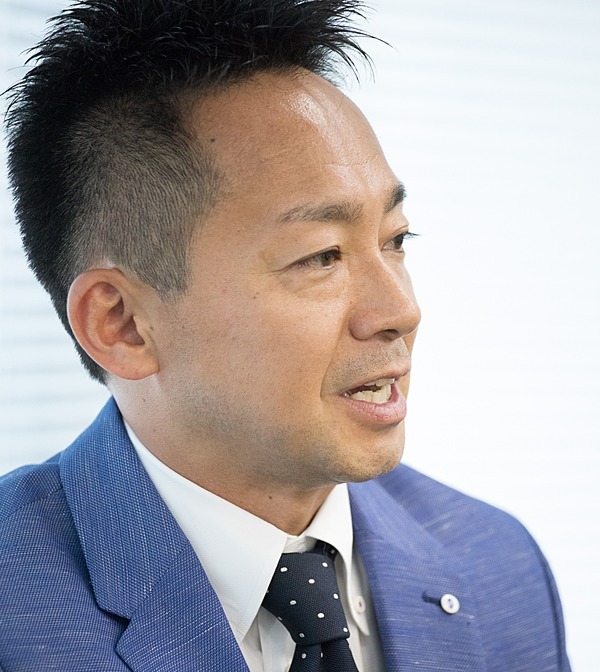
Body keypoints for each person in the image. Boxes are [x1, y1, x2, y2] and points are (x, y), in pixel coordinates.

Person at [0, 0, 570, 670]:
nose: (400, 310)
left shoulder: (498, 563)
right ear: (121, 324)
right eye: (321, 256)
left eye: (396, 239)